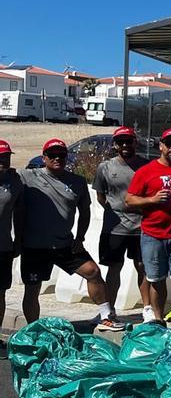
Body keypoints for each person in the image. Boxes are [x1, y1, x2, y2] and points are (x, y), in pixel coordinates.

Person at [16, 139, 123, 330]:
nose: (57, 158)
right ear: (44, 158)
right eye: (52, 155)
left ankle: (106, 316)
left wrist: (80, 238)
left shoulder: (78, 182)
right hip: (34, 246)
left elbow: (85, 212)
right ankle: (33, 330)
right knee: (32, 290)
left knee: (93, 271)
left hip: (65, 244)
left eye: (61, 155)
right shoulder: (27, 177)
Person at [127, 128, 171, 324]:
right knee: (156, 280)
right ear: (161, 146)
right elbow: (130, 200)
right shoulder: (146, 171)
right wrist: (152, 199)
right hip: (153, 234)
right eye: (169, 144)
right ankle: (158, 322)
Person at [92, 126, 151, 324]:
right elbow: (100, 196)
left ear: (136, 142)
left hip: (142, 226)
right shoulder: (105, 167)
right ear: (115, 145)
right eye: (121, 141)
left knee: (143, 267)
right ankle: (109, 310)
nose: (125, 145)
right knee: (114, 268)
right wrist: (116, 210)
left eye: (129, 141)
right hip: (114, 228)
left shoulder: (147, 166)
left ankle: (147, 309)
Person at [0, 140, 22, 333]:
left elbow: (19, 213)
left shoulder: (14, 181)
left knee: (0, 294)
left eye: (6, 157)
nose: (3, 162)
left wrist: (19, 241)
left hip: (4, 246)